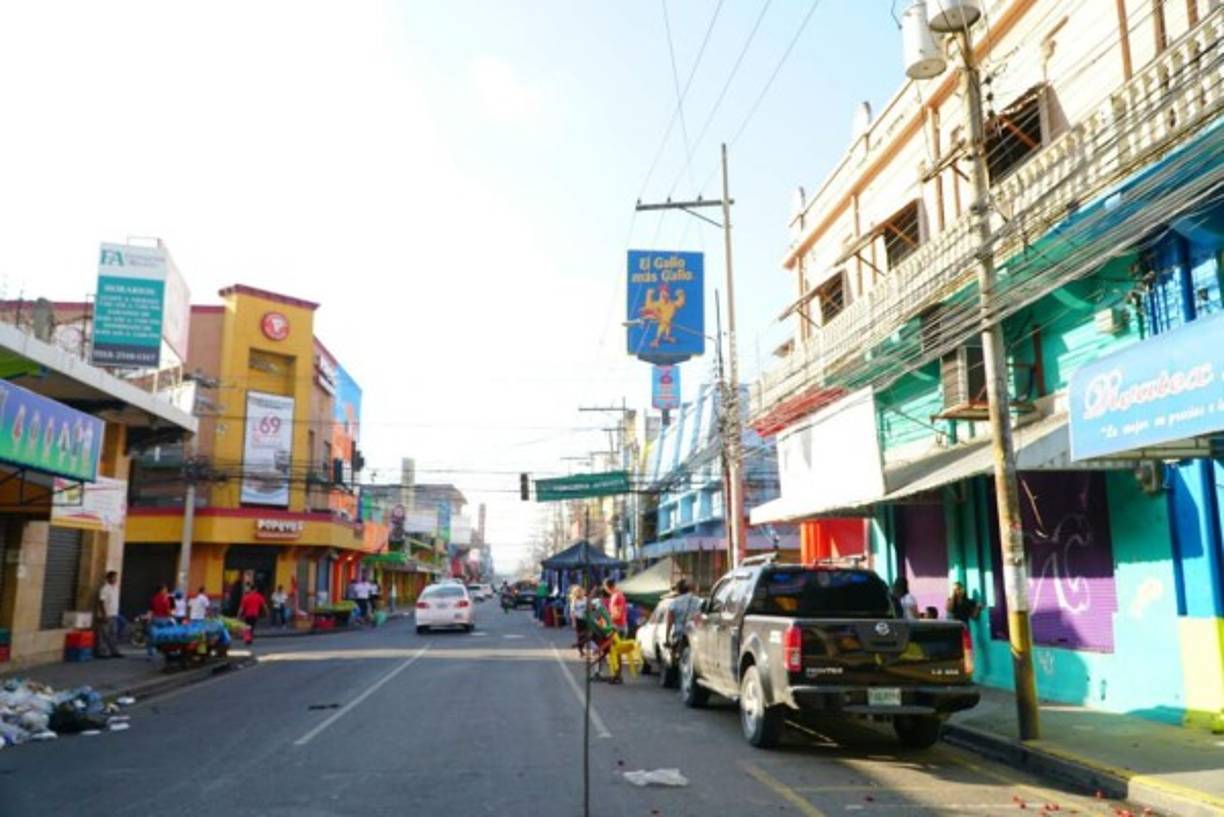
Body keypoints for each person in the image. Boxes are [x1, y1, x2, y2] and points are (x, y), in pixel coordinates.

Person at [93, 570, 121, 659]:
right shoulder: (105, 588)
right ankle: (102, 652)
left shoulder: (116, 588)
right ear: (108, 578)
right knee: (103, 634)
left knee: (113, 633)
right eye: (113, 577)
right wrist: (104, 614)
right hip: (106, 615)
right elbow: (101, 602)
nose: (115, 579)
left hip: (114, 614)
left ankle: (114, 651)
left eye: (116, 577)